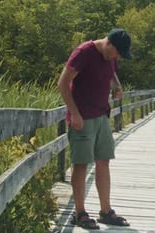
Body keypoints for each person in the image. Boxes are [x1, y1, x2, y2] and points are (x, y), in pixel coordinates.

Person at [58, 28, 132, 230]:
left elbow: (112, 73)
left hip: (101, 116)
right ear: (109, 44)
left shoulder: (111, 56)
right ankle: (79, 213)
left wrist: (117, 86)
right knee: (81, 164)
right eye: (117, 53)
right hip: (82, 117)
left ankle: (105, 212)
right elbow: (63, 83)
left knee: (103, 161)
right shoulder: (84, 52)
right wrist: (74, 113)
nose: (117, 57)